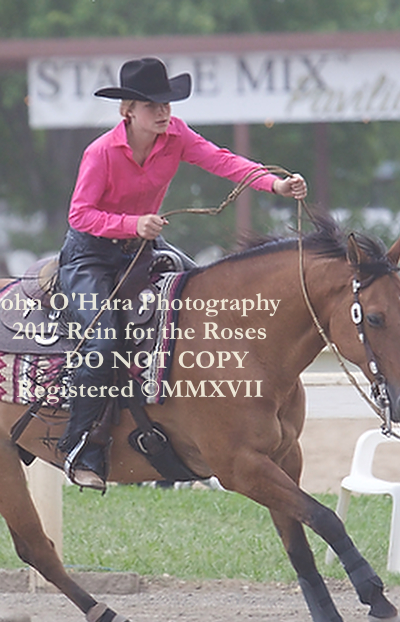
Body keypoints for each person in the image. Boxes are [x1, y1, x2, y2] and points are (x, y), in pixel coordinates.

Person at [57, 57, 307, 491]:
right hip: (91, 256)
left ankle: (189, 430)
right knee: (103, 343)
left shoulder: (177, 136)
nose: (163, 111)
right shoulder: (100, 153)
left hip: (142, 249)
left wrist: (275, 184)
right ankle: (81, 449)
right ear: (127, 111)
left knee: (210, 309)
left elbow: (223, 161)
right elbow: (80, 215)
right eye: (151, 105)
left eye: (166, 103)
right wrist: (132, 224)